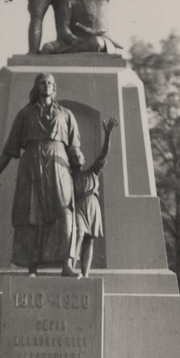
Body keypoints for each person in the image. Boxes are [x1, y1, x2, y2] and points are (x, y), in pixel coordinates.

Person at [0, 73, 81, 276]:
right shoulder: (25, 114)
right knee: (30, 212)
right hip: (31, 164)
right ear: (37, 87)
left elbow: (74, 146)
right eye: (42, 82)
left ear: (54, 87)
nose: (46, 85)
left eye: (50, 83)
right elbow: (10, 148)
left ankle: (67, 265)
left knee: (65, 211)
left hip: (59, 164)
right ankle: (32, 267)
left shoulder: (66, 114)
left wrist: (79, 162)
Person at [71, 117, 118, 277]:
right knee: (78, 233)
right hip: (78, 206)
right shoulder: (68, 177)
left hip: (92, 206)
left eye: (79, 155)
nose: (77, 157)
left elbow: (104, 154)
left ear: (84, 160)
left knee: (89, 240)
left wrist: (108, 134)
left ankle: (85, 274)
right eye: (74, 156)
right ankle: (70, 269)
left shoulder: (92, 172)